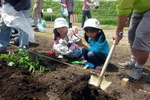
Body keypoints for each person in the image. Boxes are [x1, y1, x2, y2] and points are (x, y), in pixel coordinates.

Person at [113, 0, 150, 81]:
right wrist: (119, 32)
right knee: (132, 33)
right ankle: (134, 61)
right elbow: (124, 10)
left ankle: (138, 69)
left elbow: (123, 12)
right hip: (139, 8)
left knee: (141, 36)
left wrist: (118, 32)